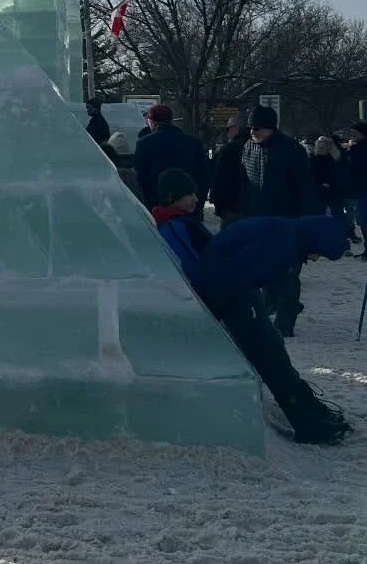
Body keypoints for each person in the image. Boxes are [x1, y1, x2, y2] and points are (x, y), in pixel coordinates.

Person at [153, 167, 351, 445]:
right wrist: (221, 306)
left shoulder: (283, 234)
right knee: (272, 359)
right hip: (233, 300)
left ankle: (312, 413)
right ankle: (308, 423)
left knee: (275, 356)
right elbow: (216, 273)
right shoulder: (176, 226)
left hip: (236, 298)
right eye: (190, 194)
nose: (197, 199)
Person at [237, 105, 319, 335]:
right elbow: (244, 185)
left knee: (288, 273)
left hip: (288, 221)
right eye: (251, 127)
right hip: (259, 220)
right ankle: (274, 308)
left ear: (271, 127)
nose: (254, 131)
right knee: (264, 270)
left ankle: (284, 323)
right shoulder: (248, 147)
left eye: (258, 127)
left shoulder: (291, 150)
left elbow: (307, 190)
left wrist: (310, 232)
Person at [133, 105, 210, 217]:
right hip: (188, 207)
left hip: (156, 210)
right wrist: (198, 204)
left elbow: (141, 178)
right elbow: (203, 176)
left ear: (152, 122)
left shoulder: (144, 144)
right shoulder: (193, 143)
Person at [209, 119, 248, 227]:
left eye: (228, 129)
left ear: (236, 129)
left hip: (231, 205)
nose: (227, 132)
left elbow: (220, 179)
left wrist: (218, 204)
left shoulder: (229, 150)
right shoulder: (259, 147)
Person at [311, 135, 350, 237]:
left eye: (323, 147)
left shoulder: (335, 158)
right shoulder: (314, 158)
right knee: (321, 216)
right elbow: (311, 174)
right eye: (320, 146)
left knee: (338, 215)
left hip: (334, 191)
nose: (321, 148)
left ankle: (342, 237)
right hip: (321, 191)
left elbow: (340, 174)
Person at [347, 122, 367, 254]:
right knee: (362, 220)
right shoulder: (355, 148)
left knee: (364, 219)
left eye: (354, 132)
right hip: (359, 189)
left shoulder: (359, 149)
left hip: (362, 188)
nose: (352, 135)